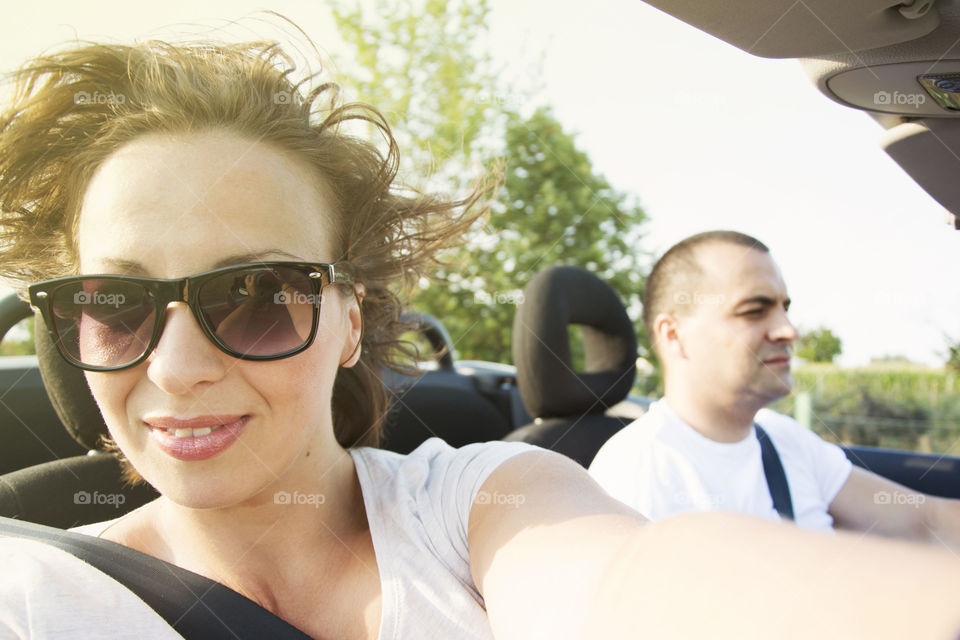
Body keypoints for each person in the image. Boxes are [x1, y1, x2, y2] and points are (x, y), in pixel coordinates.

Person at [0, 34, 959, 640]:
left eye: (256, 294)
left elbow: (628, 586)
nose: (174, 366)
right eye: (115, 303)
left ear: (351, 323)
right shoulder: (34, 591)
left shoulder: (481, 500)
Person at [590, 230, 960, 544]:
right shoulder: (635, 470)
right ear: (674, 336)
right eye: (754, 310)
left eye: (785, 307)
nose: (789, 330)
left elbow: (926, 522)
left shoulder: (783, 439)